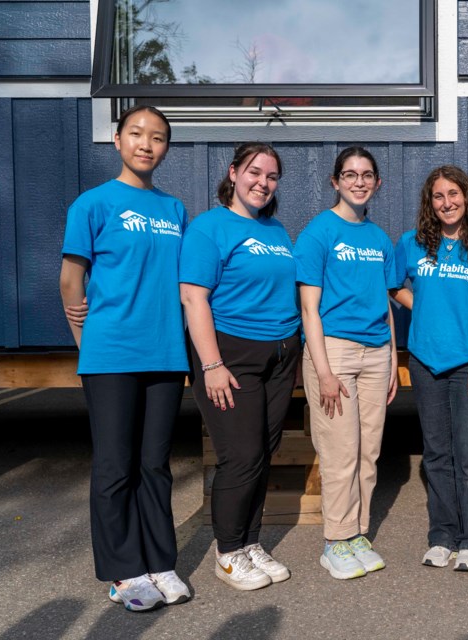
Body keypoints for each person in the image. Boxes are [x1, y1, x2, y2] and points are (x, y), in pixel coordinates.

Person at [59, 105, 191, 612]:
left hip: (163, 353)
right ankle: (123, 572)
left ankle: (160, 561)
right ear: (117, 141)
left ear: (165, 148)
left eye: (157, 137)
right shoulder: (92, 205)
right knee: (115, 468)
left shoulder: (175, 210)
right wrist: (87, 343)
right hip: (111, 354)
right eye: (136, 133)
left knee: (155, 465)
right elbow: (72, 281)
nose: (146, 144)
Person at [179, 143, 300, 591]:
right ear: (233, 173)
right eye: (254, 172)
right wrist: (211, 364)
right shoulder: (209, 228)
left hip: (281, 354)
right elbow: (193, 297)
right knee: (240, 456)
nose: (262, 182)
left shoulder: (277, 230)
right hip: (231, 355)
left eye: (271, 176)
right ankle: (227, 552)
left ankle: (250, 542)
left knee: (262, 454)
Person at [392, 166, 468, 572]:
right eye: (438, 196)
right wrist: (422, 308)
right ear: (430, 203)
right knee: (437, 454)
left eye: (453, 194)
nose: (447, 203)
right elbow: (394, 287)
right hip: (426, 361)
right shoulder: (412, 244)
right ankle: (442, 535)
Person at [294, 147, 399, 580]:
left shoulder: (378, 238)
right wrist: (323, 372)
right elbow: (308, 311)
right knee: (340, 452)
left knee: (368, 452)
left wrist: (392, 359)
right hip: (333, 351)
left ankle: (357, 533)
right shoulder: (318, 233)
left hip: (376, 353)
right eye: (350, 174)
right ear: (335, 182)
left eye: (367, 174)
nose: (359, 181)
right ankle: (335, 541)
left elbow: (388, 304)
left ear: (377, 183)